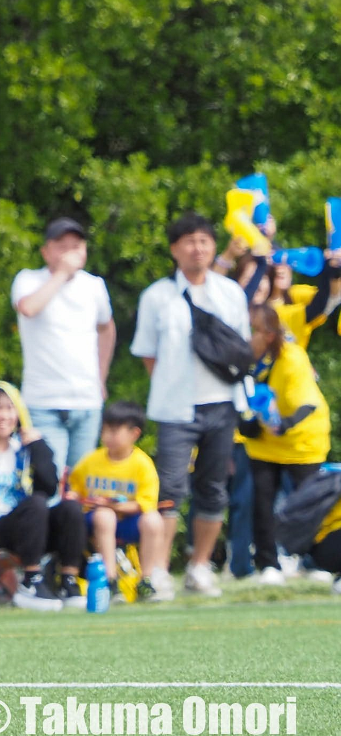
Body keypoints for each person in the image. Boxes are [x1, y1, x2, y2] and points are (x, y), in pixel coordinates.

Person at [130, 212, 250, 599]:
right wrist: (169, 387)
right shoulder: (157, 296)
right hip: (175, 408)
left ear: (213, 247)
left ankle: (200, 566)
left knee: (213, 487)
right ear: (174, 249)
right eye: (189, 241)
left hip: (222, 402)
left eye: (204, 240)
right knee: (169, 489)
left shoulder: (229, 293)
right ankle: (158, 571)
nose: (197, 248)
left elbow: (242, 348)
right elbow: (148, 353)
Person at [0, 382, 86, 610]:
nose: (4, 416)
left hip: (31, 528)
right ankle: (31, 581)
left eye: (10, 408)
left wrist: (38, 445)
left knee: (69, 508)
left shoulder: (25, 449)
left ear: (19, 413)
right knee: (36, 504)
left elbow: (49, 486)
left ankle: (68, 581)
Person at [11, 217, 115, 476]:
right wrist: (61, 274)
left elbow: (106, 328)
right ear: (46, 252)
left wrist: (101, 376)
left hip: (87, 402)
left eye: (76, 246)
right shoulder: (28, 279)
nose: (70, 253)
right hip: (43, 401)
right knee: (49, 480)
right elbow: (28, 308)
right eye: (62, 246)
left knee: (80, 484)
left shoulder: (94, 286)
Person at [238, 304, 330, 584]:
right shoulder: (245, 361)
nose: (245, 336)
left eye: (251, 330)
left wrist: (283, 425)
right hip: (265, 445)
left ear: (268, 334)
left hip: (303, 441)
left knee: (311, 503)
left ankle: (317, 560)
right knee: (262, 503)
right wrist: (249, 424)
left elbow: (306, 404)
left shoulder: (292, 357)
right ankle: (268, 564)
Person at [67, 402, 165, 602]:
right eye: (105, 430)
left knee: (153, 520)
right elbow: (75, 489)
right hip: (96, 521)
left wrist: (112, 505)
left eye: (114, 431)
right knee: (105, 516)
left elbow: (144, 504)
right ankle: (110, 580)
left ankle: (146, 580)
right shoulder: (91, 460)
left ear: (134, 434)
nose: (107, 436)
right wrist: (75, 497)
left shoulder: (142, 464)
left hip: (128, 522)